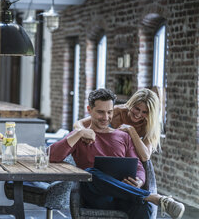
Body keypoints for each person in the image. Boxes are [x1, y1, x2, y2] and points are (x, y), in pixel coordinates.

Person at [50, 88, 185, 219]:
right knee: (90, 173)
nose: (106, 117)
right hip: (96, 196)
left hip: (123, 195)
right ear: (89, 110)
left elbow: (138, 165)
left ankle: (144, 197)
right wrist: (79, 132)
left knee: (144, 207)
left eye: (109, 112)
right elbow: (52, 156)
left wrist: (139, 180)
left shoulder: (124, 136)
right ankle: (154, 197)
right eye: (100, 112)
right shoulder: (80, 136)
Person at [73, 88, 160, 162]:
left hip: (127, 159)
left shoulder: (148, 125)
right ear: (132, 103)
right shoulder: (117, 111)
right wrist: (84, 133)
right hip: (102, 152)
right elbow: (78, 123)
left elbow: (145, 157)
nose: (138, 114)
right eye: (137, 108)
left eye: (145, 112)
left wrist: (131, 130)